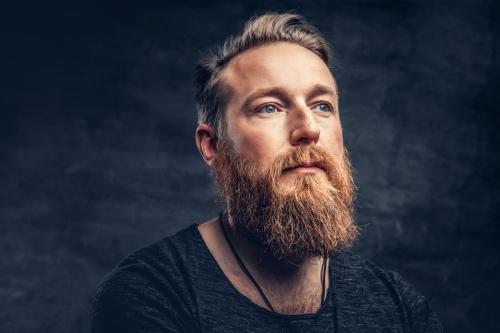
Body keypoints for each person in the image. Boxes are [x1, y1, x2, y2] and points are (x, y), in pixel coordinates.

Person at [91, 13, 443, 332]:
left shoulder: (397, 307)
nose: (308, 129)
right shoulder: (153, 293)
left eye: (322, 106)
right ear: (212, 145)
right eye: (269, 108)